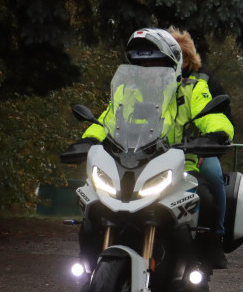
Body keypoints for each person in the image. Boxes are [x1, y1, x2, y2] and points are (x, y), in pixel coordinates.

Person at [80, 28, 234, 270]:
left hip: (181, 164)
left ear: (172, 64)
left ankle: (202, 261)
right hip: (130, 163)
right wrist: (89, 139)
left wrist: (218, 133)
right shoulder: (126, 91)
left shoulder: (191, 89)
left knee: (204, 197)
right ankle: (90, 265)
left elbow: (213, 115)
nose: (149, 70)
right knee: (94, 203)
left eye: (156, 63)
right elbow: (107, 119)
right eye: (142, 65)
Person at [167, 27, 234, 267]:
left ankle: (216, 236)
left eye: (176, 54)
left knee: (214, 178)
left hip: (198, 151)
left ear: (186, 57)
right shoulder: (153, 84)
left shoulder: (204, 82)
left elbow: (219, 114)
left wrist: (210, 145)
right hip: (156, 155)